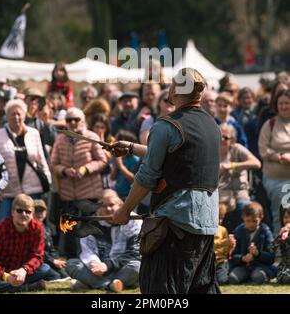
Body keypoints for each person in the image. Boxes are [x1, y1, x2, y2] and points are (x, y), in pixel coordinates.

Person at [111, 68, 222, 294]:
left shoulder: (165, 125)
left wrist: (124, 210)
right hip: (206, 224)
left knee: (160, 293)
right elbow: (179, 156)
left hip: (175, 224)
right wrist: (132, 148)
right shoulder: (212, 125)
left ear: (177, 90)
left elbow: (146, 176)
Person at [50, 107, 109, 258]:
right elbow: (53, 163)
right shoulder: (60, 139)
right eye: (69, 120)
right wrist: (64, 170)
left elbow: (103, 160)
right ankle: (71, 259)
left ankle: (93, 257)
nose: (73, 123)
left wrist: (85, 169)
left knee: (89, 228)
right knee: (69, 229)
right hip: (68, 193)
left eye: (76, 120)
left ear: (82, 121)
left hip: (89, 192)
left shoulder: (91, 137)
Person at [66, 189, 141, 293]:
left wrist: (108, 265)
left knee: (138, 267)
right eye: (104, 206)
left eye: (112, 205)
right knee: (71, 264)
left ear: (120, 205)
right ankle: (110, 285)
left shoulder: (133, 221)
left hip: (123, 267)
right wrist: (95, 264)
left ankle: (92, 283)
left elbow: (135, 253)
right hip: (99, 270)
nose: (108, 209)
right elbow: (87, 251)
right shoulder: (92, 224)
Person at [0, 99, 51, 222]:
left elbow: (41, 159)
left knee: (33, 226)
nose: (16, 117)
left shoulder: (34, 133)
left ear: (24, 115)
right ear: (6, 116)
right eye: (12, 114)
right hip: (8, 192)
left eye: (19, 113)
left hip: (33, 189)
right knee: (4, 225)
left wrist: (48, 179)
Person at [0, 194, 50, 292]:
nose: (24, 214)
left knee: (45, 268)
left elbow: (38, 257)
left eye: (28, 211)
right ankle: (26, 287)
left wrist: (23, 270)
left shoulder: (38, 229)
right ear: (13, 212)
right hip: (2, 272)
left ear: (32, 214)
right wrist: (6, 277)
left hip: (23, 272)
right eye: (19, 210)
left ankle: (3, 287)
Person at [218, 123, 261, 232]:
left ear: (232, 139)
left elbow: (256, 163)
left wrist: (233, 166)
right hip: (221, 194)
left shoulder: (237, 149)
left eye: (226, 137)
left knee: (247, 210)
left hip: (240, 193)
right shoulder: (212, 151)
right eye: (220, 136)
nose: (222, 139)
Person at [258, 89, 290, 234]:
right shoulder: (270, 125)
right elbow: (263, 150)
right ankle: (281, 252)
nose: (284, 106)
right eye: (281, 103)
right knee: (282, 216)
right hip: (277, 180)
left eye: (287, 103)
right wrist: (281, 156)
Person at [228, 202, 276, 284]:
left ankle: (257, 277)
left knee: (258, 277)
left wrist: (257, 253)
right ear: (243, 217)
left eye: (255, 221)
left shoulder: (265, 232)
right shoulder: (238, 231)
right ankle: (247, 277)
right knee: (233, 278)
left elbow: (271, 257)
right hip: (242, 266)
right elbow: (232, 256)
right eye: (248, 221)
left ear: (261, 218)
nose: (251, 224)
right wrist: (242, 258)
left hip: (260, 266)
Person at [33, 199, 69, 281]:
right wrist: (53, 261)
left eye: (41, 211)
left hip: (47, 261)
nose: (39, 214)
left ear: (45, 213)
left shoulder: (46, 229)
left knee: (65, 274)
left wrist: (57, 260)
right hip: (37, 262)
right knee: (55, 276)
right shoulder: (30, 229)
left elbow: (51, 249)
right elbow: (37, 251)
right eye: (36, 211)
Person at [110, 130, 140, 200]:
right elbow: (112, 177)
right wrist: (117, 166)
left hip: (129, 197)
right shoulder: (120, 158)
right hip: (118, 195)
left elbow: (134, 179)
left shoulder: (135, 160)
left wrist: (121, 166)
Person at [214, 203, 236, 285]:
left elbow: (226, 251)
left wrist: (231, 246)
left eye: (221, 218)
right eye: (217, 218)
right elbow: (209, 245)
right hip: (209, 261)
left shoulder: (223, 229)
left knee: (221, 280)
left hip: (221, 261)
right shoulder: (208, 230)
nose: (219, 221)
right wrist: (224, 242)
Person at [271, 206, 290, 284]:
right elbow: (272, 249)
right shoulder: (282, 234)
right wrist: (280, 235)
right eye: (286, 217)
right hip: (286, 267)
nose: (288, 220)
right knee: (286, 278)